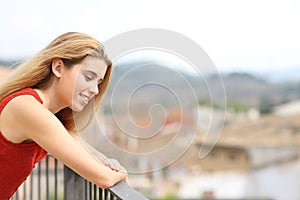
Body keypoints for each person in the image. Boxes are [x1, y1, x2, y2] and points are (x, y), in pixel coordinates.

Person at [0, 32, 128, 199]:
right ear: (58, 68)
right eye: (88, 77)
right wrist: (122, 174)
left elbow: (84, 150)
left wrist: (105, 161)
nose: (95, 90)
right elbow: (104, 178)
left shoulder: (48, 115)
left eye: (98, 83)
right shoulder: (27, 108)